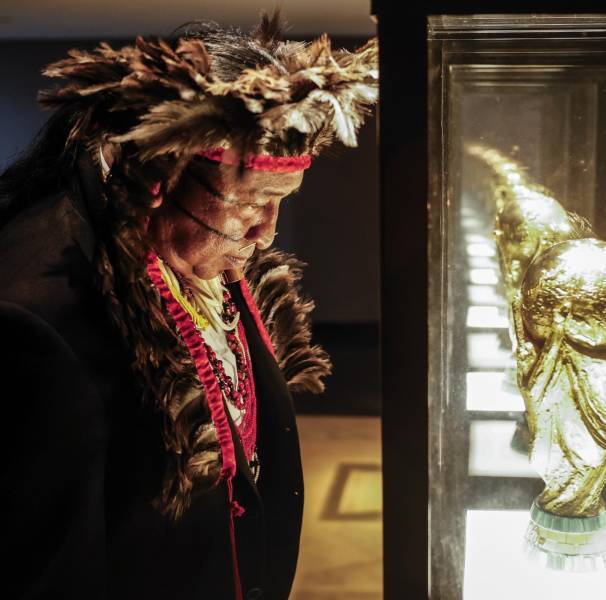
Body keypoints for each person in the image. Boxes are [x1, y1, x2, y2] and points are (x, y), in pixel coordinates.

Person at [0, 10, 377, 600]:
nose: (267, 234)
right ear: (159, 174)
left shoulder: (193, 251)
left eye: (282, 202)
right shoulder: (35, 318)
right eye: (253, 202)